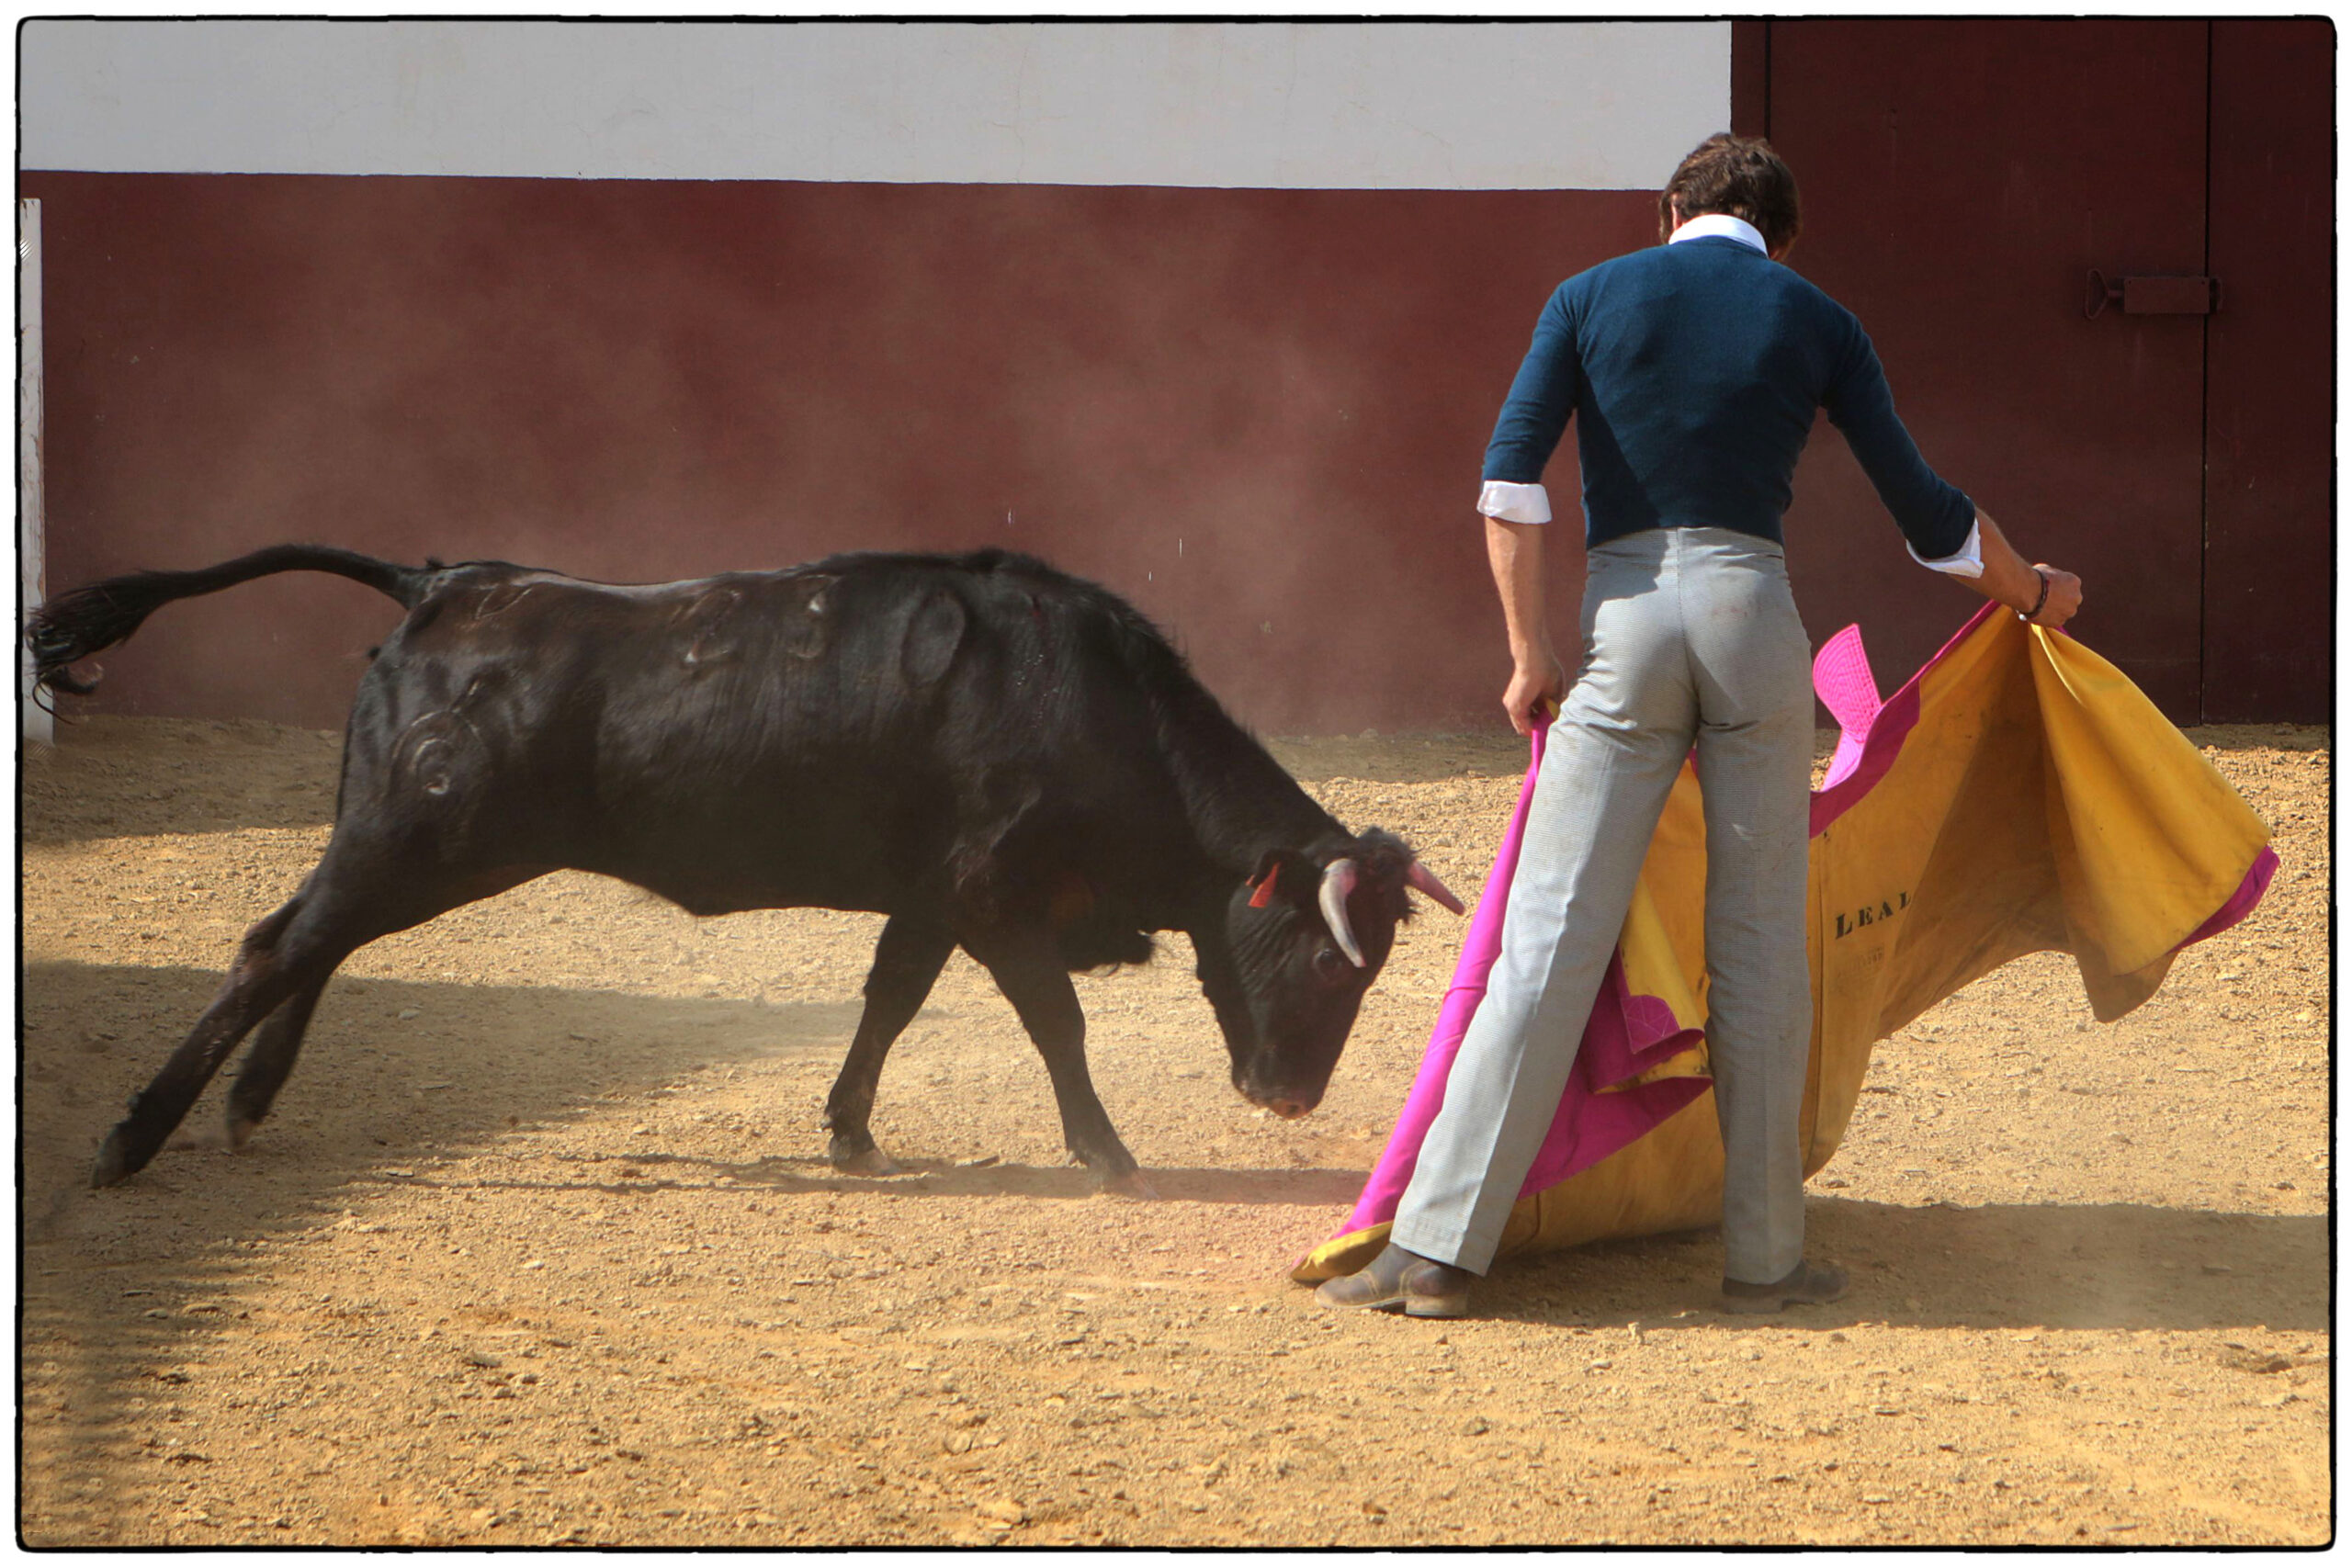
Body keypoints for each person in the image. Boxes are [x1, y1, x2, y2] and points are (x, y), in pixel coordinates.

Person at [1317, 133, 2083, 1320]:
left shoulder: (1588, 297)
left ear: (1669, 208)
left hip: (1623, 625)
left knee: (1550, 941)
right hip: (1752, 622)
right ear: (1781, 237)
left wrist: (1529, 654)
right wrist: (2036, 591)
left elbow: (1509, 486)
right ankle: (1766, 1260)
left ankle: (1437, 1254)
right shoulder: (1817, 318)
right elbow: (1932, 523)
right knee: (1762, 949)